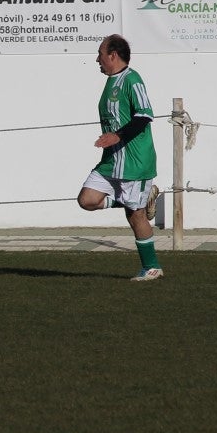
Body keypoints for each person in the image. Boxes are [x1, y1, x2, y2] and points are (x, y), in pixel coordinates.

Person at [76, 34, 164, 281]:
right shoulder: (110, 81)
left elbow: (145, 115)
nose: (97, 59)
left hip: (134, 161)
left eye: (100, 54)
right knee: (87, 199)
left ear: (112, 55)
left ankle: (152, 267)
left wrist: (117, 136)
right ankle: (139, 199)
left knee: (135, 215)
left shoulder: (132, 79)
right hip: (111, 160)